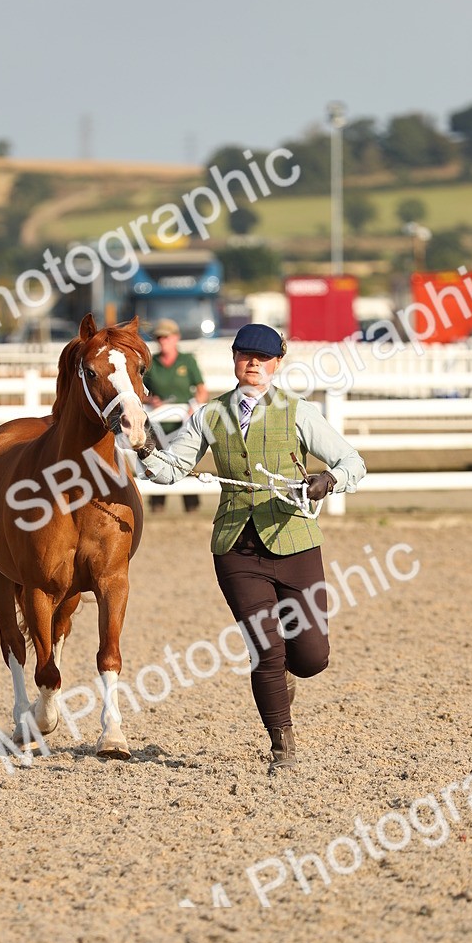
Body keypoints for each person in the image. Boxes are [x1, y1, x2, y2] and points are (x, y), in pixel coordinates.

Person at [135, 323, 366, 773]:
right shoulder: (209, 414)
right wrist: (143, 445)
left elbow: (352, 461)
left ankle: (286, 680)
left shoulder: (298, 411)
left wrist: (328, 480)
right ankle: (282, 748)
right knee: (265, 648)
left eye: (263, 357)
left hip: (295, 542)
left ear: (278, 363)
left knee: (311, 657)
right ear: (235, 359)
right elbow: (169, 471)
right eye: (245, 355)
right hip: (236, 546)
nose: (254, 363)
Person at [145, 318, 208, 513]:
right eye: (159, 337)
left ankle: (191, 506)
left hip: (184, 425)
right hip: (158, 426)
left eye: (166, 337)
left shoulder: (187, 360)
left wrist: (194, 407)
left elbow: (201, 389)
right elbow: (139, 391)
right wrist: (150, 400)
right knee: (157, 463)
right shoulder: (150, 364)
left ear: (176, 338)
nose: (163, 340)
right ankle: (157, 506)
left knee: (185, 462)